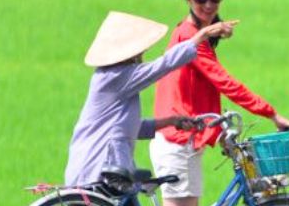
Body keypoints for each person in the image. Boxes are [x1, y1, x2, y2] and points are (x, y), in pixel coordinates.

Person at [151, 0, 289, 206]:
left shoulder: (198, 36)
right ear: (187, 1)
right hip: (178, 141)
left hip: (188, 140)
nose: (208, 5)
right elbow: (224, 82)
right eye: (200, 0)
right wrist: (271, 113)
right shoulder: (189, 39)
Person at [64, 10, 236, 190]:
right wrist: (201, 35)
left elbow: (126, 126)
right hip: (97, 172)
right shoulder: (115, 77)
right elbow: (162, 65)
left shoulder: (111, 77)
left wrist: (171, 121)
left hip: (103, 171)